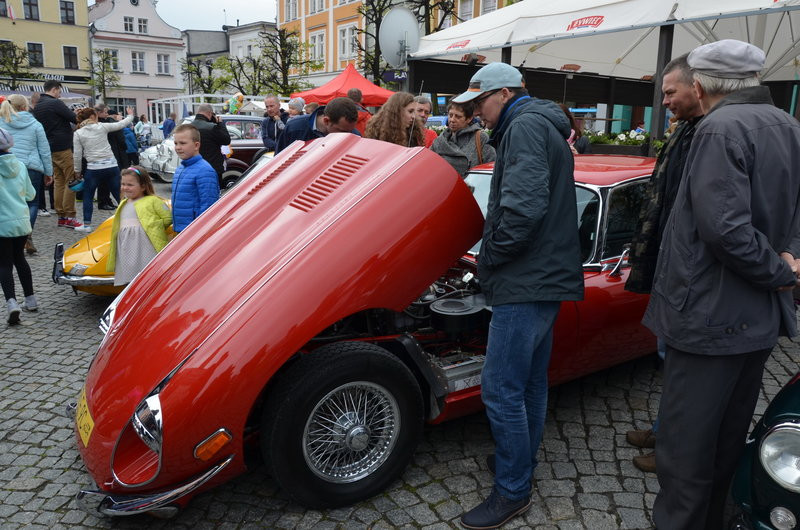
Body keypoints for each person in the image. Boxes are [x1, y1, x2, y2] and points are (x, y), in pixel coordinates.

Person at [643, 40, 800, 530]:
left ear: (700, 84)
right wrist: (788, 267)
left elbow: (724, 230)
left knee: (686, 455)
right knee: (725, 443)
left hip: (711, 319)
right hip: (754, 317)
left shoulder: (719, 128)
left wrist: (781, 271)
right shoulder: (789, 125)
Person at [452, 62, 584, 529]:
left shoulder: (525, 127)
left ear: (504, 94)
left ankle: (512, 490)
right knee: (528, 382)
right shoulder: (539, 123)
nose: (476, 115)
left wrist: (489, 258)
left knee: (500, 388)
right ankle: (519, 464)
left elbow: (523, 210)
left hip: (526, 280)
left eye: (478, 104)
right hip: (545, 277)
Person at [623, 54, 703, 474]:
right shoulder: (686, 131)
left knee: (682, 366)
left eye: (671, 92)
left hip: (687, 271)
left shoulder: (708, 135)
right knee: (667, 358)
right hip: (668, 263)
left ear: (698, 87)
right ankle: (663, 426)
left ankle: (673, 446)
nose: (665, 101)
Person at [0, 94, 53, 255]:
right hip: (31, 167)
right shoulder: (35, 124)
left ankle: (10, 234)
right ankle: (26, 234)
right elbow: (44, 149)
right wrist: (48, 172)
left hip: (5, 163)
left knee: (9, 201)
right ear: (25, 107)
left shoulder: (2, 122)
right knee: (32, 203)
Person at [72, 107, 134, 232]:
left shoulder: (78, 133)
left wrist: (77, 171)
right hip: (111, 166)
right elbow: (121, 124)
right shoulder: (102, 127)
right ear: (92, 117)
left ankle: (87, 225)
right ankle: (131, 220)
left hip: (93, 169)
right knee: (119, 194)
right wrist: (130, 115)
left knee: (88, 196)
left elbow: (77, 155)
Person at [108, 166, 172, 287]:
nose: (125, 188)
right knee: (131, 276)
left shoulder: (152, 201)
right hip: (126, 244)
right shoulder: (123, 203)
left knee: (147, 273)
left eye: (130, 185)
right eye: (123, 184)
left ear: (143, 186)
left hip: (145, 244)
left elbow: (168, 217)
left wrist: (154, 225)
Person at [32, 80, 81, 228]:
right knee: (71, 180)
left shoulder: (38, 105)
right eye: (59, 91)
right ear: (54, 89)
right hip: (63, 146)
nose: (60, 94)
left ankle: (60, 216)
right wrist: (77, 114)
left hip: (49, 147)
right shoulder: (55, 103)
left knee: (59, 182)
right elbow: (74, 119)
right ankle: (69, 216)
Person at [0, 129, 37, 324]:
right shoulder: (21, 165)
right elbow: (30, 195)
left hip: (2, 223)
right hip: (21, 221)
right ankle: (30, 299)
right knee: (20, 259)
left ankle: (12, 302)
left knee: (4, 264)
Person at [170, 124, 219, 233]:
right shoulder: (180, 169)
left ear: (196, 145)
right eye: (176, 143)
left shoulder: (205, 170)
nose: (178, 147)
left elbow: (208, 205)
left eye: (182, 143)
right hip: (180, 230)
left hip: (193, 232)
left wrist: (199, 231)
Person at [431, 100, 496, 177]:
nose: (452, 120)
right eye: (450, 115)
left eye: (458, 117)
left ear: (469, 119)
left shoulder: (480, 138)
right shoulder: (440, 140)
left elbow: (491, 167)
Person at [275, 97, 360, 153]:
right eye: (342, 131)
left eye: (350, 131)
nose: (347, 136)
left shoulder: (355, 135)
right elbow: (278, 162)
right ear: (326, 121)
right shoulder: (294, 128)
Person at [95, 105, 128, 211]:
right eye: (105, 112)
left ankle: (107, 200)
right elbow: (120, 138)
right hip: (108, 154)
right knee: (106, 181)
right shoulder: (104, 123)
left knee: (107, 180)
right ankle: (103, 201)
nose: (106, 114)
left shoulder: (103, 122)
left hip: (108, 153)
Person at [192, 103, 231, 186]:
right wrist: (220, 123)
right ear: (210, 113)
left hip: (193, 168)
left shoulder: (189, 127)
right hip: (212, 169)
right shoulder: (212, 127)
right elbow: (226, 140)